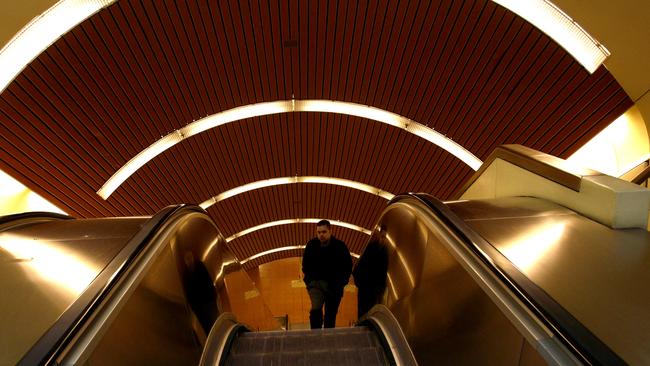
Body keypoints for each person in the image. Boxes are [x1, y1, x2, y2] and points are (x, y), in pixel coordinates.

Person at [302, 220, 352, 329]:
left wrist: (341, 283)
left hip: (334, 287)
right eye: (319, 232)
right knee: (315, 309)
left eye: (324, 232)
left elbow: (348, 266)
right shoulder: (311, 245)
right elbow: (305, 265)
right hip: (316, 285)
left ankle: (328, 337)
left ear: (330, 231)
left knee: (331, 314)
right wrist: (310, 281)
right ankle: (316, 335)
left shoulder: (340, 247)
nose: (321, 235)